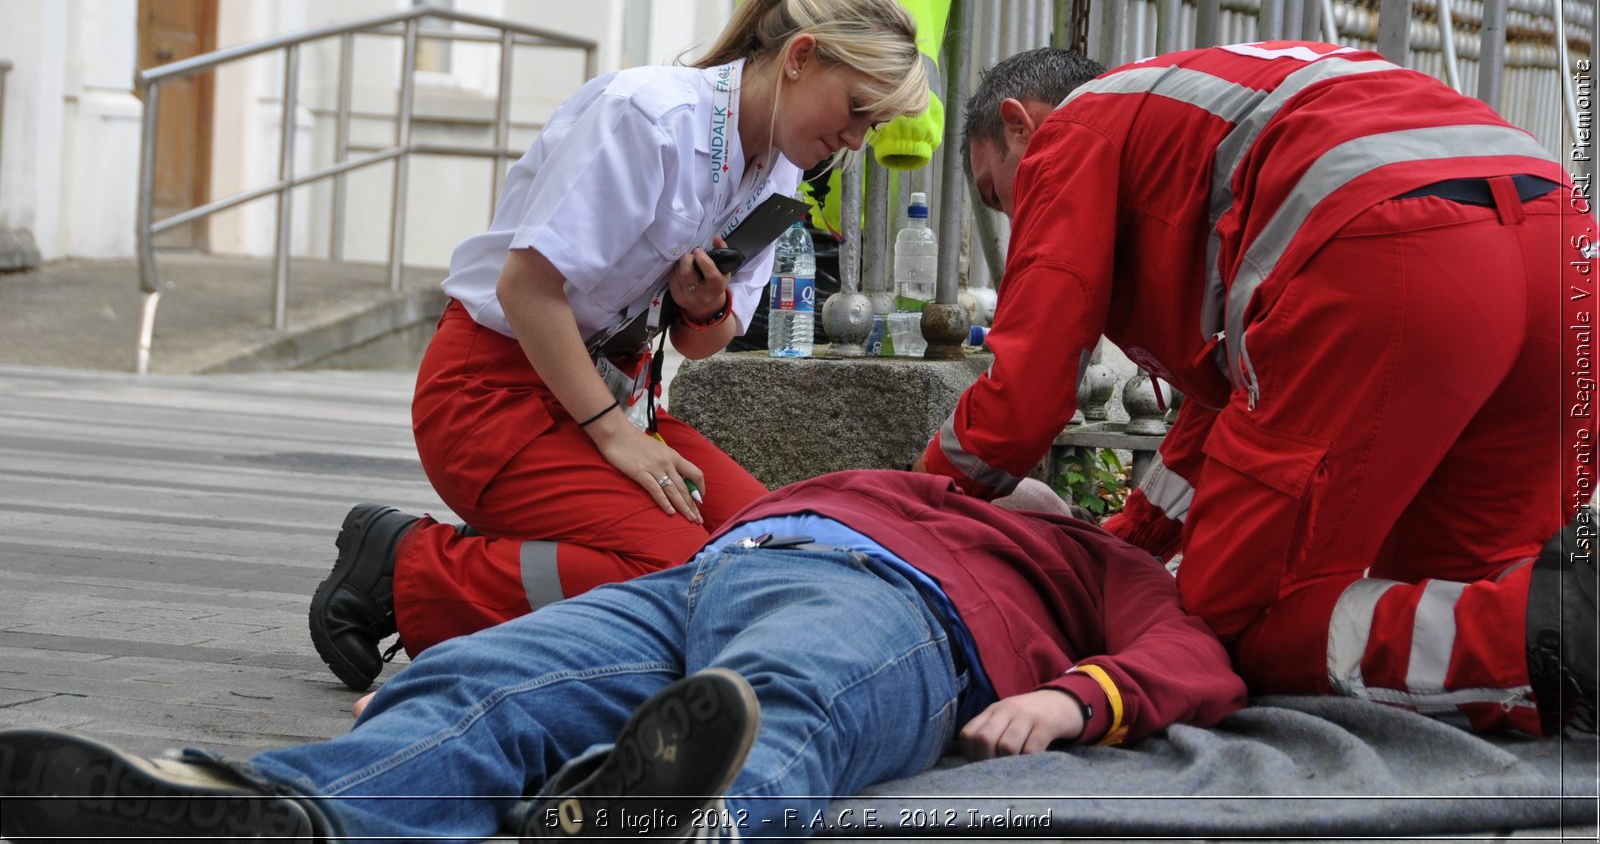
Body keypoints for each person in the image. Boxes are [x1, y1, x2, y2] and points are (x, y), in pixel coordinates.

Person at [915, 41, 1597, 737]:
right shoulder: (1199, 111)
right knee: (1466, 597)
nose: (1015, 224)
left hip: (1391, 246)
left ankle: (1551, 640)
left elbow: (1026, 387)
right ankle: (1560, 636)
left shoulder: (1074, 129)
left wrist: (914, 500)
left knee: (1235, 625)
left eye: (1000, 194)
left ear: (1021, 125)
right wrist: (1131, 542)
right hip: (1562, 249)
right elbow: (1226, 418)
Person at [0, 470, 1246, 841]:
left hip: (903, 612)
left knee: (778, 701)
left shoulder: (1087, 555)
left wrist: (1074, 697)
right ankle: (298, 812)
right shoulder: (880, 474)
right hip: (704, 575)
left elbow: (1191, 651)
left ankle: (670, 826)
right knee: (486, 681)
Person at [309, 0, 931, 692]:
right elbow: (524, 289)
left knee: (770, 552)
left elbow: (705, 341)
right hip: (491, 395)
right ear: (800, 57)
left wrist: (702, 309)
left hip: (614, 401)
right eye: (858, 109)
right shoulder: (651, 117)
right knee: (676, 568)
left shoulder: (784, 165)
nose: (858, 139)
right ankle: (408, 568)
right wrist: (614, 436)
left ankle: (530, 554)